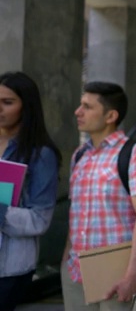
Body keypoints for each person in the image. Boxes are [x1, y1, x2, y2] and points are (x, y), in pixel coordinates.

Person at [61, 81, 136, 310]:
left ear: (110, 115)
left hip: (117, 271)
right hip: (75, 270)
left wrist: (133, 275)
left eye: (87, 106)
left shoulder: (135, 152)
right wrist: (65, 260)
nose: (78, 112)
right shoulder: (79, 155)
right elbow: (76, 211)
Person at [0, 72, 62, 310]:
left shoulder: (40, 155)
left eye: (8, 102)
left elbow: (39, 220)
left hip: (9, 267)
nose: (0, 109)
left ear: (26, 107)